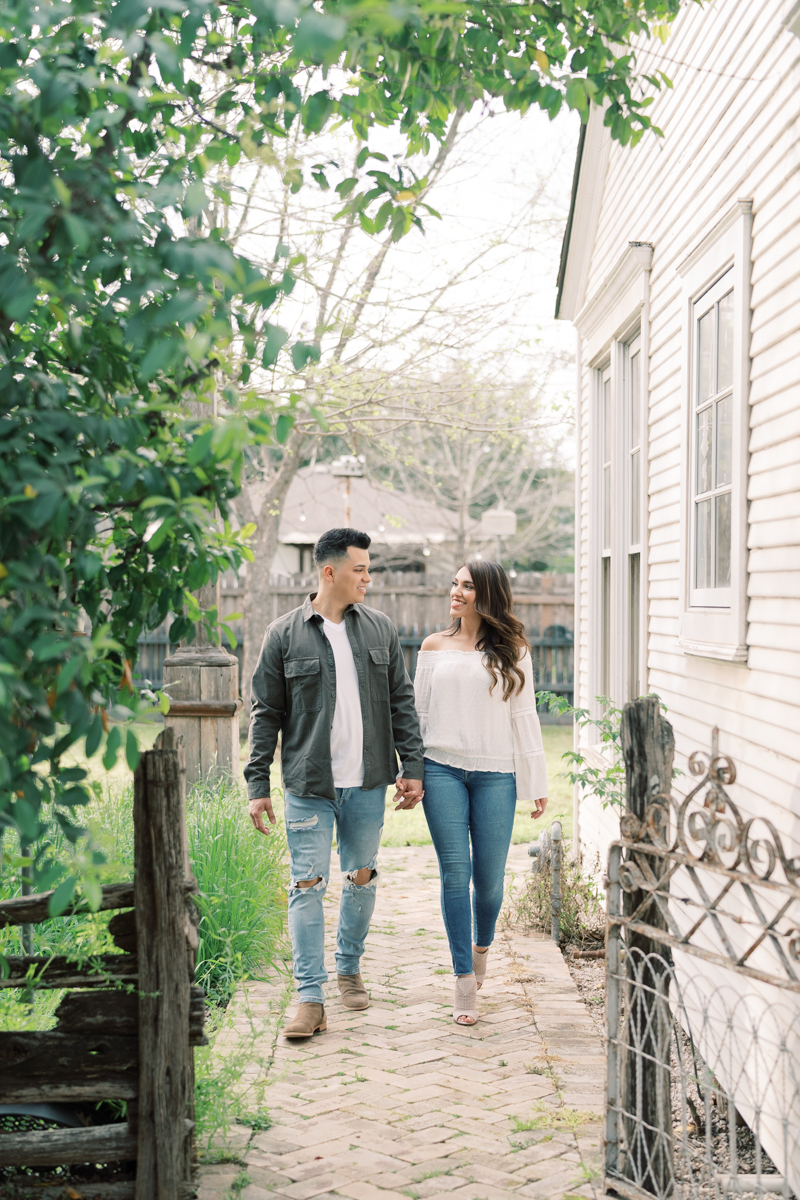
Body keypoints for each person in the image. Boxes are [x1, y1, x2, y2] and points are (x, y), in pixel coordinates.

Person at [246, 528, 425, 1038]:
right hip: (309, 782)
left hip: (367, 781)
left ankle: (349, 967)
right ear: (330, 572)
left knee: (361, 877)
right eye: (360, 570)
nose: (368, 578)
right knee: (306, 884)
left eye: (369, 569)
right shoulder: (283, 634)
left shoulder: (380, 630)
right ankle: (310, 997)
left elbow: (401, 702)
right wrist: (258, 783)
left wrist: (411, 766)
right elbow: (266, 713)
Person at [414, 559, 548, 1025]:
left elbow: (524, 717)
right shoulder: (433, 647)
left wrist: (535, 783)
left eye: (467, 586)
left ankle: (481, 945)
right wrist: (410, 771)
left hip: (496, 773)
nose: (456, 592)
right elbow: (418, 716)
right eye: (454, 583)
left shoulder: (514, 651)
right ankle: (463, 980)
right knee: (455, 874)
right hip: (441, 769)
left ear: (486, 594)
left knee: (488, 884)